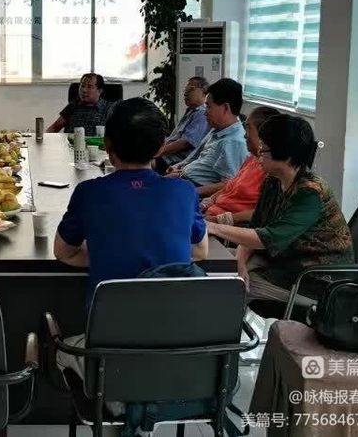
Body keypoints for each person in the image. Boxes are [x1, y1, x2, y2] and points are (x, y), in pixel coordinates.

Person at [54, 98, 208, 382]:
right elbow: (199, 251)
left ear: (107, 145)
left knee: (59, 350)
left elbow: (64, 253)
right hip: (174, 354)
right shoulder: (184, 191)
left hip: (109, 356)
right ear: (161, 147)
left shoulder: (89, 192)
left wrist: (106, 252)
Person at [207, 115, 353, 303]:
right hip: (282, 262)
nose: (258, 153)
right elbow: (255, 229)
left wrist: (214, 227)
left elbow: (268, 238)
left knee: (229, 288)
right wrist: (240, 263)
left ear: (287, 155)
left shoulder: (310, 193)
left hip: (315, 280)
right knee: (217, 266)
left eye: (264, 149)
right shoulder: (272, 182)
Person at [168, 78, 248, 197]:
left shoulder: (233, 142)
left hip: (195, 191)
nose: (205, 112)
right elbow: (196, 157)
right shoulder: (217, 130)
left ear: (225, 108)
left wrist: (190, 192)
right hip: (184, 179)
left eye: (208, 107)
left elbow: (227, 185)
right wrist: (179, 167)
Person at [202, 106, 280, 225]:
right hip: (209, 214)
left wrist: (217, 220)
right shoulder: (252, 158)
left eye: (248, 128)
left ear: (263, 134)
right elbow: (230, 186)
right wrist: (207, 201)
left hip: (225, 226)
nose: (244, 135)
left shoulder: (272, 170)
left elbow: (262, 213)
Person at [154, 76, 210, 173]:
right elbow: (174, 138)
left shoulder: (202, 113)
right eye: (185, 89)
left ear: (204, 92)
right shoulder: (192, 111)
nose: (185, 92)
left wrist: (157, 152)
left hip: (175, 163)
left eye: (191, 88)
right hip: (167, 157)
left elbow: (185, 143)